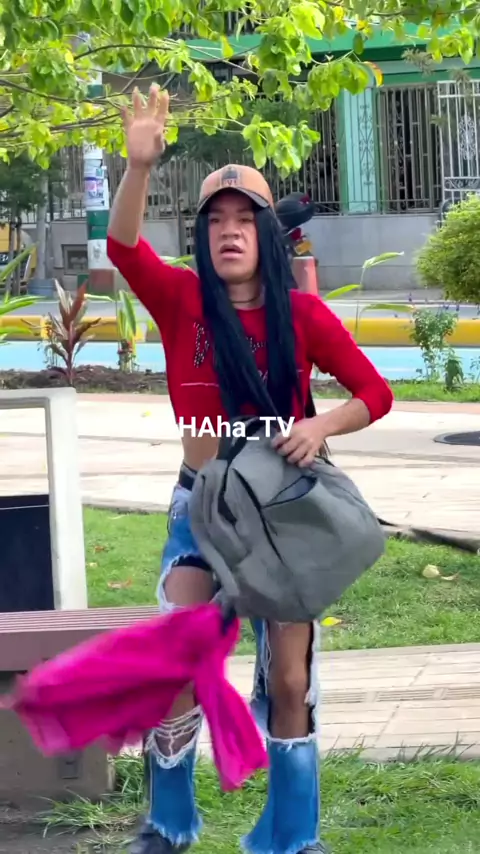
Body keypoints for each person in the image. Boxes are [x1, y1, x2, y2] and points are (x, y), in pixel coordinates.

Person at [107, 84, 394, 854]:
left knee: (291, 680)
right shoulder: (179, 300)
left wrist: (321, 424)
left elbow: (375, 393)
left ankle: (293, 837)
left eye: (244, 219)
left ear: (268, 232)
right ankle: (169, 826)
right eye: (215, 221)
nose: (229, 232)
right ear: (202, 237)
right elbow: (124, 249)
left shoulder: (304, 316)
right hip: (201, 510)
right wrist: (139, 167)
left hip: (285, 518)